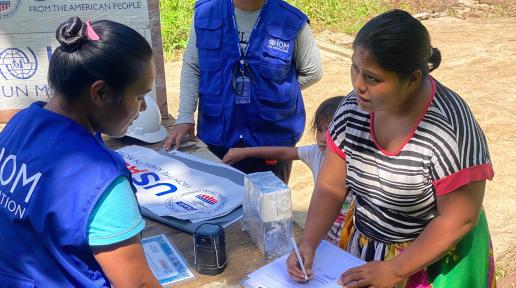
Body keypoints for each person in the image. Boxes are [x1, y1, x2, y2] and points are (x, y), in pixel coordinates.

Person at [286, 10, 496, 288]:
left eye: (373, 78)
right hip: (368, 247)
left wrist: (396, 270)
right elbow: (331, 186)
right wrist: (310, 243)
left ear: (412, 79)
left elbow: (458, 219)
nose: (358, 84)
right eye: (355, 68)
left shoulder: (450, 132)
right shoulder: (353, 111)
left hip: (429, 260)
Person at [0, 17, 161, 287]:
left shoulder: (20, 124)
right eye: (140, 97)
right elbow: (137, 284)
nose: (142, 109)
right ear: (100, 93)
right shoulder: (102, 180)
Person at [163, 0, 323, 183]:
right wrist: (185, 116)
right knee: (217, 198)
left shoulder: (291, 21)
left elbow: (313, 71)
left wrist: (274, 93)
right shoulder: (206, 13)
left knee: (267, 206)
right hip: (217, 133)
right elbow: (193, 66)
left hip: (270, 141)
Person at [222, 96, 352, 244]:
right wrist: (244, 152)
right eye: (320, 130)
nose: (323, 138)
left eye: (330, 131)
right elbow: (284, 152)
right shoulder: (316, 152)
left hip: (349, 236)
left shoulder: (358, 163)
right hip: (323, 232)